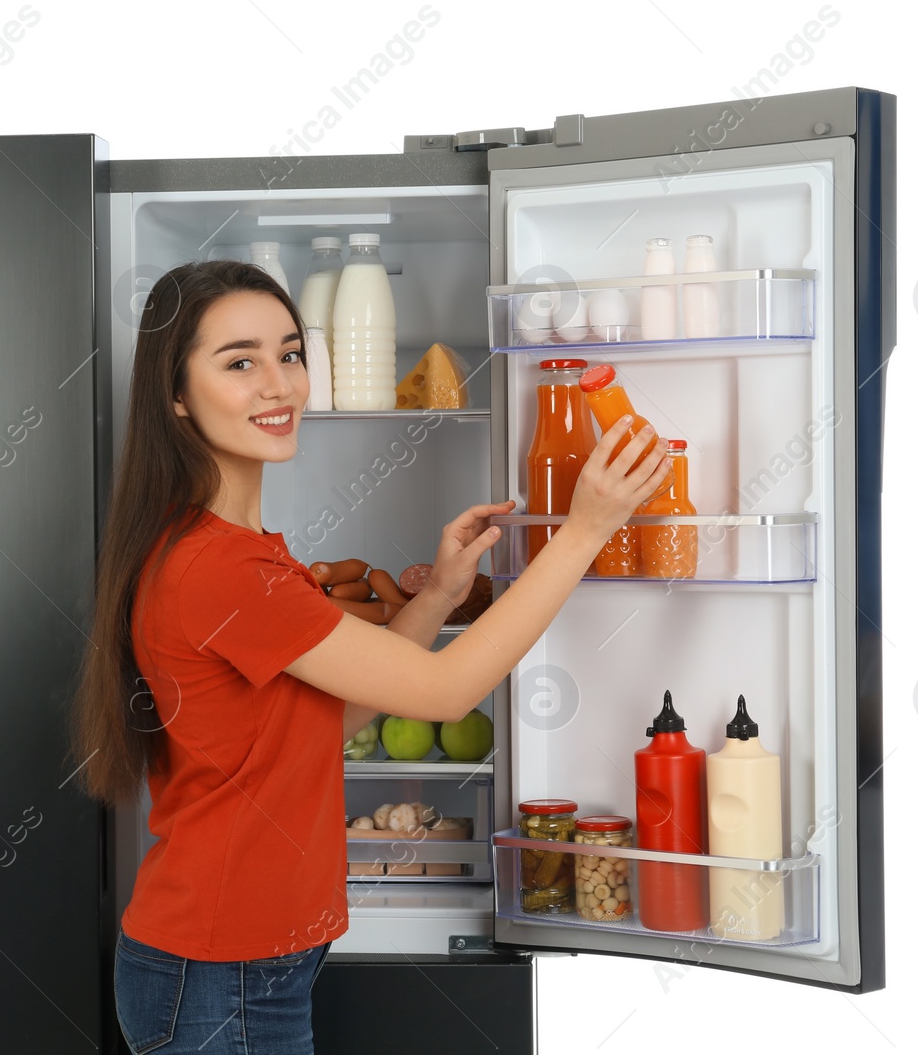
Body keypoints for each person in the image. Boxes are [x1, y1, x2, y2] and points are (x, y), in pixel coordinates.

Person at [69, 260, 671, 1054]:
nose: (279, 385)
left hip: (241, 963)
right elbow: (448, 691)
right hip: (220, 971)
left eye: (290, 354)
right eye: (239, 362)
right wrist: (587, 529)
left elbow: (323, 718)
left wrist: (435, 598)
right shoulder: (222, 569)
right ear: (176, 395)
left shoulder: (235, 552)